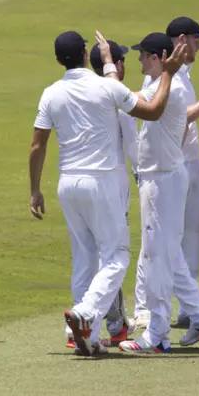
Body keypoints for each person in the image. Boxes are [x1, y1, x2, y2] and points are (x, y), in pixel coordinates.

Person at [29, 30, 186, 356]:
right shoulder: (106, 86)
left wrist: (34, 190)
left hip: (67, 184)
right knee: (116, 256)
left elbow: (37, 145)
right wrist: (169, 72)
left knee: (85, 258)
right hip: (103, 181)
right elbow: (154, 110)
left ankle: (81, 334)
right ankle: (86, 314)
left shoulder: (50, 93)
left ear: (59, 60)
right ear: (86, 54)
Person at [118, 33, 199, 353]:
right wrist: (107, 71)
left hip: (162, 180)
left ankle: (157, 336)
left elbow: (146, 108)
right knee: (169, 254)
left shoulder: (170, 88)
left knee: (157, 256)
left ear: (159, 56)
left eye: (144, 55)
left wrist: (170, 73)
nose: (138, 60)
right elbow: (132, 96)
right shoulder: (160, 84)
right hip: (160, 177)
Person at [88, 40, 138, 347]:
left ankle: (102, 321)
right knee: (114, 252)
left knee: (93, 252)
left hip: (82, 178)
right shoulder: (117, 94)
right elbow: (133, 143)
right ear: (116, 64)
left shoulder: (83, 91)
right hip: (114, 180)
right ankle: (115, 323)